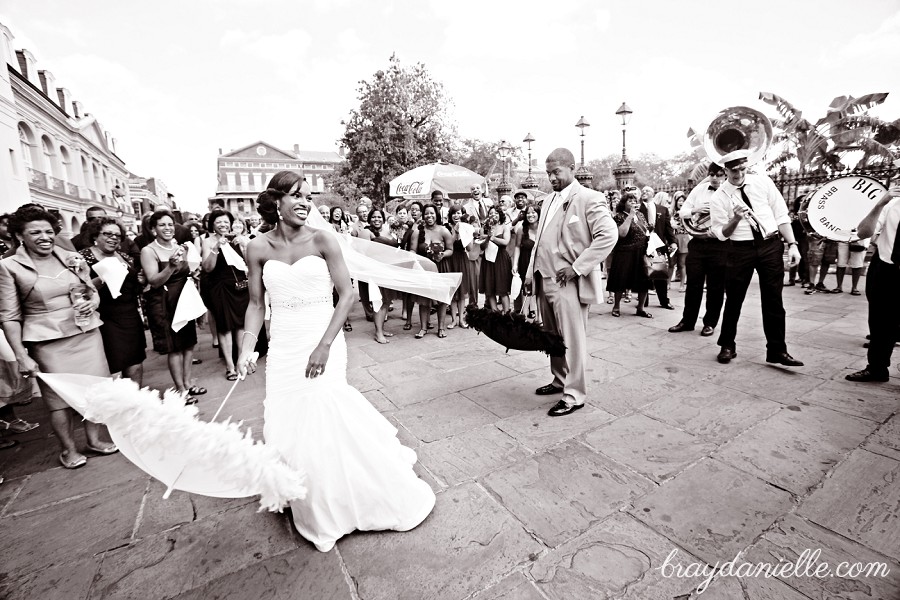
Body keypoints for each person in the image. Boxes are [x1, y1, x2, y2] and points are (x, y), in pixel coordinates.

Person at [236, 172, 435, 552]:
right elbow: (257, 305)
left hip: (322, 338)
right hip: (284, 348)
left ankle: (350, 499)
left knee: (325, 413)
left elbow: (345, 296)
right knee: (290, 419)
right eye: (296, 195)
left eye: (308, 197)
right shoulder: (256, 248)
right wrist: (247, 348)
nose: (304, 203)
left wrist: (325, 345)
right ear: (276, 201)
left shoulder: (323, 239)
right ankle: (310, 498)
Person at [0, 205, 117, 469]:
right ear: (20, 235)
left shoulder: (70, 257)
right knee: (59, 400)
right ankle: (68, 449)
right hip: (47, 341)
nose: (45, 237)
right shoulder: (9, 267)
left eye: (49, 231)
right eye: (35, 232)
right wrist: (21, 356)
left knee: (95, 391)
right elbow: (9, 316)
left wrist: (92, 303)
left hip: (86, 333)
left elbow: (90, 291)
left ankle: (94, 440)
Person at [524, 148, 618, 417]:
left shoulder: (589, 198)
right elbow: (539, 241)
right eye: (548, 173)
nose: (552, 177)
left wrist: (578, 268)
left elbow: (608, 236)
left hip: (568, 283)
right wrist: (531, 275)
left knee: (572, 340)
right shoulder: (548, 201)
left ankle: (574, 394)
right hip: (544, 279)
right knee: (552, 337)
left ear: (571, 168)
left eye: (557, 172)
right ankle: (559, 379)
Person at [709, 149, 802, 366]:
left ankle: (777, 350)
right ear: (725, 170)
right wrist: (735, 218)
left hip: (770, 245)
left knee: (774, 299)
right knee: (734, 299)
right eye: (733, 170)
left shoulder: (763, 182)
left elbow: (781, 215)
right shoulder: (719, 197)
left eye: (742, 169)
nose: (739, 174)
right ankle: (727, 345)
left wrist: (793, 245)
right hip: (739, 249)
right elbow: (721, 234)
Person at [140, 210, 205, 403]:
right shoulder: (148, 251)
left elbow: (187, 272)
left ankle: (188, 383)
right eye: (162, 225)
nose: (168, 228)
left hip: (184, 300)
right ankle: (180, 389)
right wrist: (170, 266)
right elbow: (154, 281)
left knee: (188, 344)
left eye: (170, 224)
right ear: (153, 229)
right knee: (175, 347)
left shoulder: (179, 246)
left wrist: (194, 271)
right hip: (163, 303)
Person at [80, 217, 147, 384]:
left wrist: (140, 280)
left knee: (136, 363)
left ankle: (136, 401)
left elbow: (132, 284)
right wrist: (104, 277)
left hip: (130, 315)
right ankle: (118, 405)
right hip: (104, 318)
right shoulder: (83, 257)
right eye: (108, 234)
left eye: (117, 235)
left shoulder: (124, 256)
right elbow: (80, 289)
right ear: (95, 236)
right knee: (114, 365)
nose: (113, 238)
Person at [845, 184, 900, 382]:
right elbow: (863, 233)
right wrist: (880, 204)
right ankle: (877, 368)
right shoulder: (891, 204)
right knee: (879, 321)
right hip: (885, 267)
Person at [669, 163, 727, 336]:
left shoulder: (731, 192)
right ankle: (687, 321)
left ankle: (710, 323)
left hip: (719, 245)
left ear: (725, 175)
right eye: (712, 174)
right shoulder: (698, 190)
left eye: (719, 174)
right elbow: (682, 212)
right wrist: (696, 209)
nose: (715, 178)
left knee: (715, 287)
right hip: (698, 243)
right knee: (693, 284)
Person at [201, 209, 250, 380]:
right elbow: (207, 268)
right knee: (225, 327)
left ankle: (241, 362)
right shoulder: (208, 242)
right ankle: (230, 366)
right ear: (212, 224)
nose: (223, 224)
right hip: (220, 288)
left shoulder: (235, 239)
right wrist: (215, 248)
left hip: (239, 288)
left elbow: (247, 263)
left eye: (225, 221)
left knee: (241, 325)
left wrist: (244, 244)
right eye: (219, 222)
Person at [607, 191, 653, 318]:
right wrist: (630, 216)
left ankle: (641, 308)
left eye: (634, 200)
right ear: (624, 203)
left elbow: (646, 231)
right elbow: (621, 234)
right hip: (624, 252)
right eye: (630, 200)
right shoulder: (619, 216)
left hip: (640, 252)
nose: (633, 202)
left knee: (644, 279)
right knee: (620, 279)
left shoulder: (641, 215)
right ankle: (616, 306)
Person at [411, 205, 454, 338]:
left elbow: (450, 250)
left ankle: (441, 328)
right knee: (423, 298)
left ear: (437, 215)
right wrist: (414, 258)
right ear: (423, 216)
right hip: (424, 269)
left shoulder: (444, 231)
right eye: (427, 214)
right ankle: (423, 328)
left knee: (441, 298)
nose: (429, 216)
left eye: (432, 213)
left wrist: (442, 254)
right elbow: (412, 249)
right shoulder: (418, 232)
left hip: (441, 267)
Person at [641, 189, 677, 310]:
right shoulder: (637, 209)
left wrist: (673, 241)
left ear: (653, 194)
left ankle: (664, 301)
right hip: (642, 245)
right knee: (643, 273)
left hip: (658, 245)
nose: (644, 192)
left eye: (647, 190)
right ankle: (643, 301)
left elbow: (668, 228)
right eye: (642, 190)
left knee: (660, 273)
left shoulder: (662, 209)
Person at [477, 206, 513, 312]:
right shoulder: (484, 228)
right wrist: (487, 237)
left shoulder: (504, 227)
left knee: (502, 287)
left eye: (496, 213)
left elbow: (506, 242)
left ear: (500, 215)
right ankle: (494, 311)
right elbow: (482, 247)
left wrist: (492, 237)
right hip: (488, 259)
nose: (493, 215)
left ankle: (506, 313)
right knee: (490, 286)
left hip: (501, 258)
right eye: (491, 213)